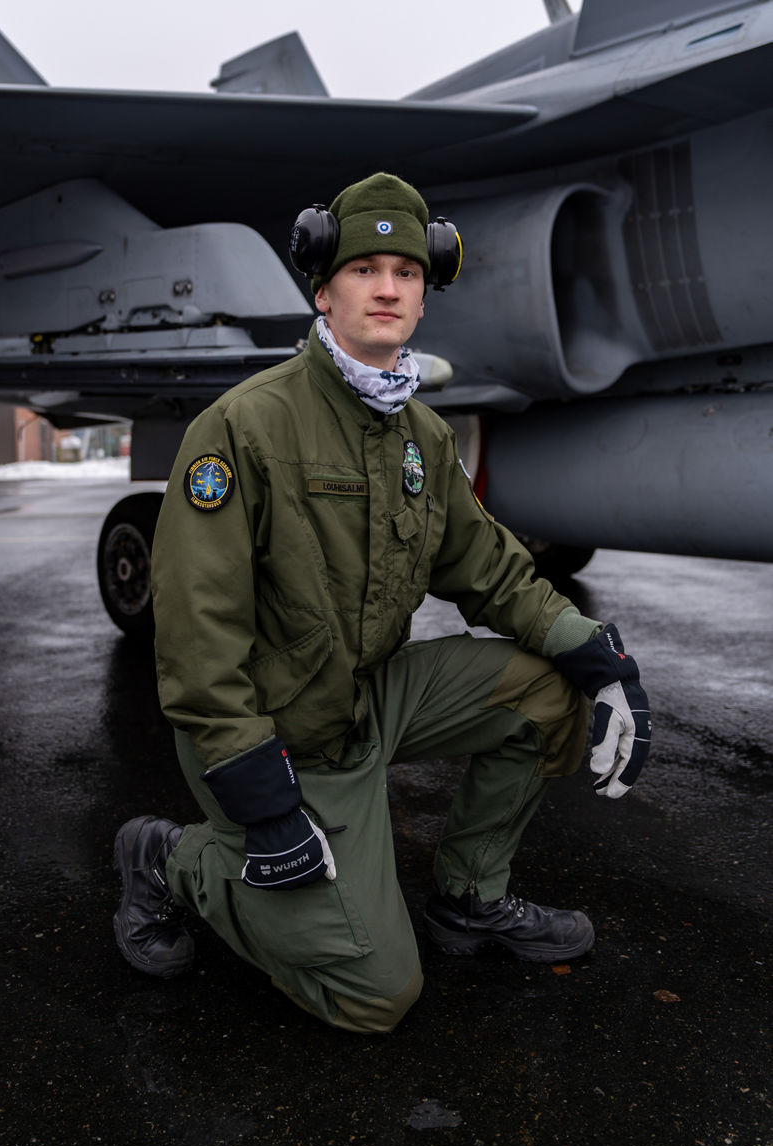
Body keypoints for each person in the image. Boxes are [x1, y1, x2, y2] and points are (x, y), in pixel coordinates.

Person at [112, 172, 652, 1034]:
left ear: (423, 298)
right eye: (365, 269)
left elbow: (490, 570)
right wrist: (260, 796)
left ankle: (469, 899)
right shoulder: (245, 426)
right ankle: (174, 858)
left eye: (406, 272)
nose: (389, 287)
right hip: (275, 736)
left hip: (367, 699)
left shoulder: (421, 437)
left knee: (549, 691)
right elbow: (197, 633)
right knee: (375, 996)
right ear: (324, 293)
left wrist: (601, 656)